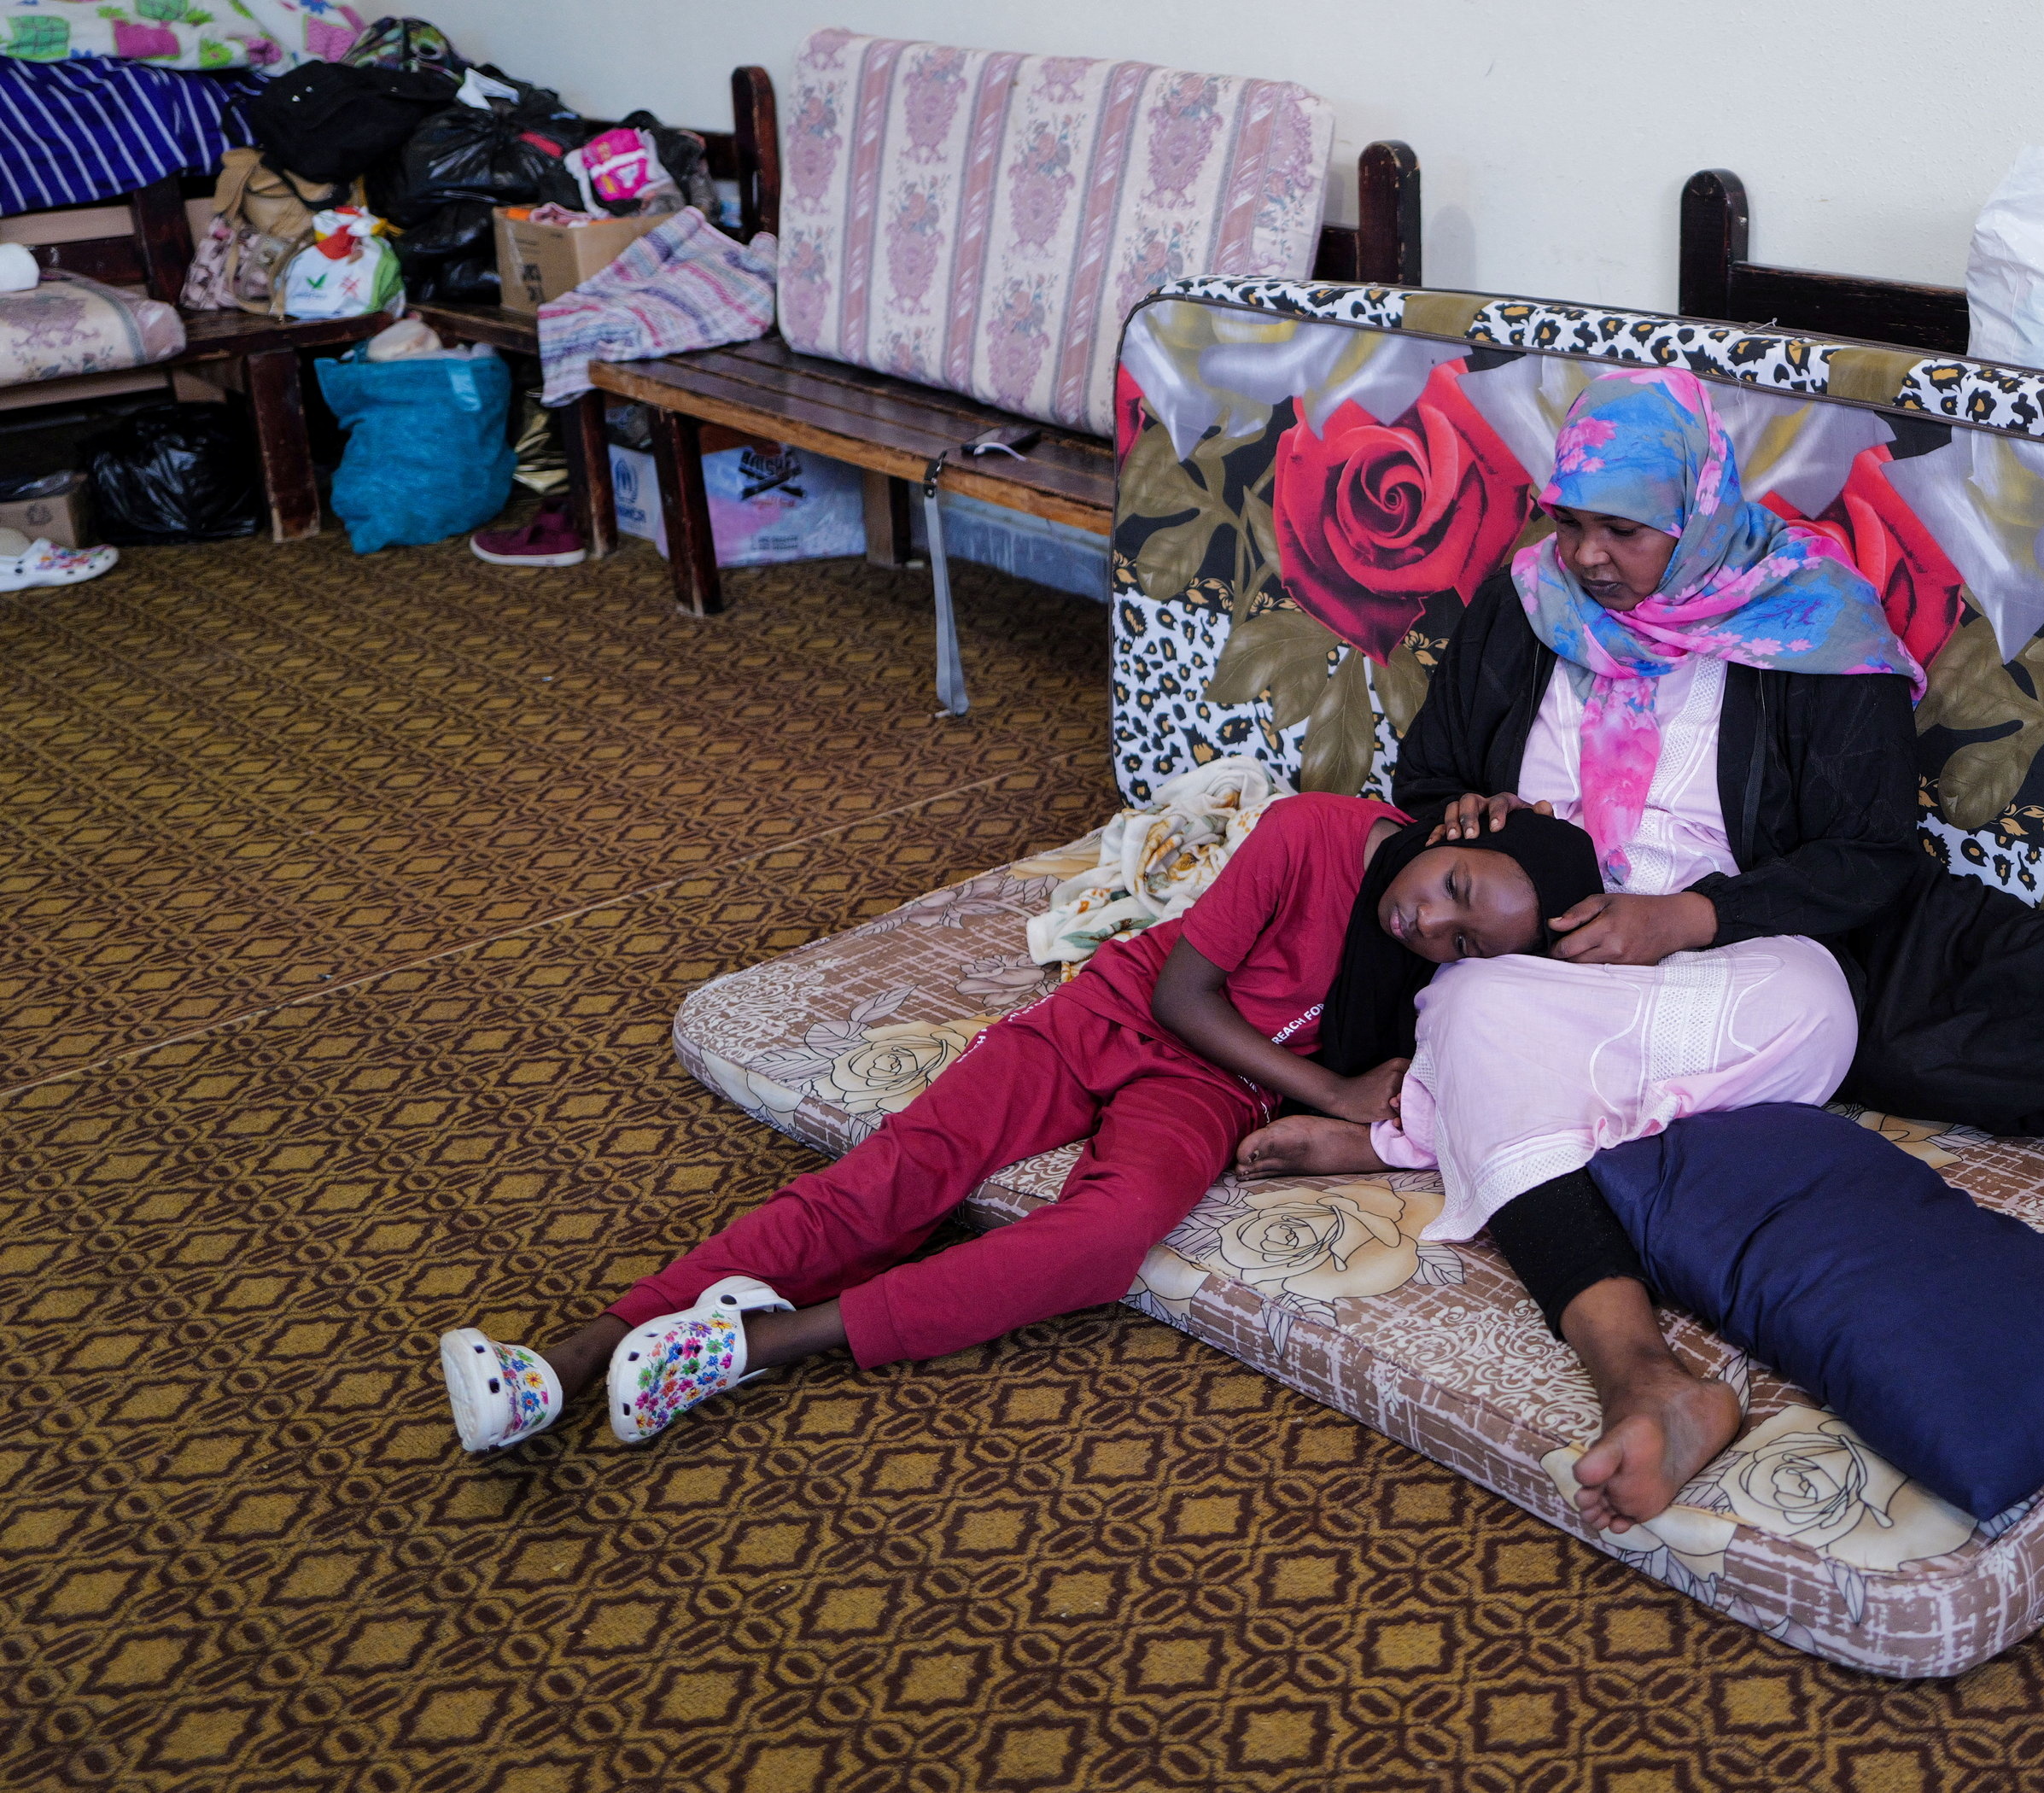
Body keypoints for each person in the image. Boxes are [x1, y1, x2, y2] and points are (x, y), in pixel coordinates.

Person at [1242, 365, 1929, 1529]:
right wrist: (1462, 812)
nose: (1591, 557)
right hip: (1535, 968)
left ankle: (1428, 1128)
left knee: (1817, 1007)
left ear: (1699, 506)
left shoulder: (1812, 615)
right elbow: (1429, 779)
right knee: (1471, 1008)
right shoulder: (1528, 603)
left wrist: (1688, 916)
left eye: (1626, 529)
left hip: (1725, 960)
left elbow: (1871, 856)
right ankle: (1645, 1377)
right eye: (1569, 521)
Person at [434, 795, 1600, 1457]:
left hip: (1205, 1096)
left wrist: (1347, 1108)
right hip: (1114, 1016)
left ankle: (749, 1342)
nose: (1430, 924)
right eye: (1452, 887)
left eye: (1466, 941)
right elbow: (1178, 997)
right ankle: (568, 1357)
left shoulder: (1453, 987)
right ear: (1455, 831)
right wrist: (1332, 1094)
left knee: (1102, 1243)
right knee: (910, 1173)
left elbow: (1465, 1077)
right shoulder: (1314, 834)